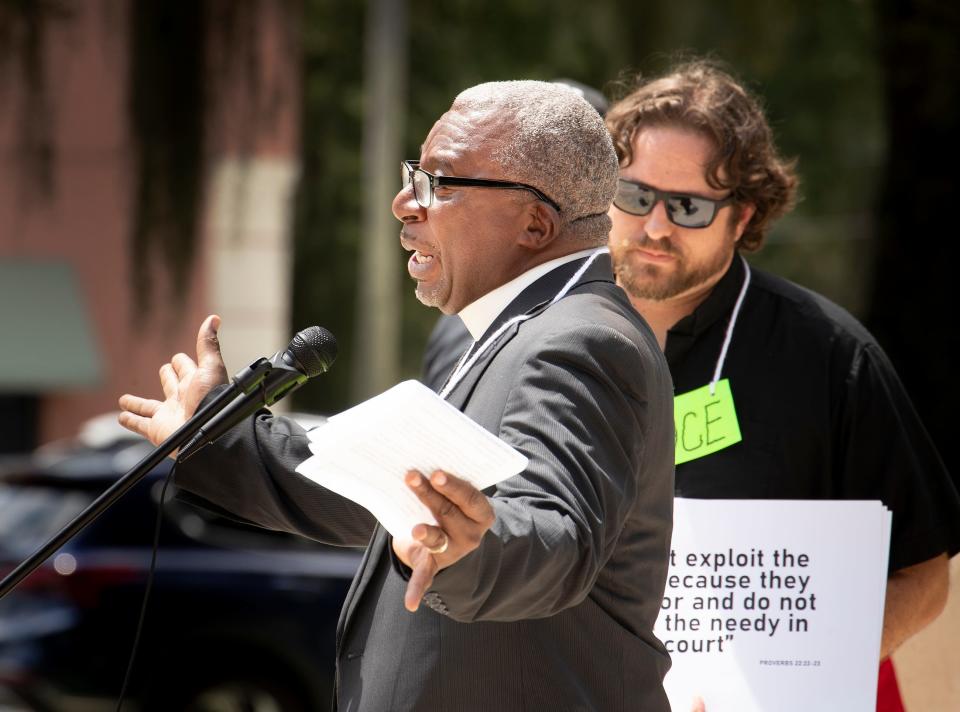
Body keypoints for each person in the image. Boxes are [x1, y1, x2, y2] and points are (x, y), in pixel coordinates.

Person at [118, 81, 676, 712]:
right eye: (415, 173)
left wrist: (469, 552)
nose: (403, 202)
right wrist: (213, 437)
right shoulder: (518, 329)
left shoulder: (578, 340)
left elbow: (553, 534)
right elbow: (385, 493)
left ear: (536, 223)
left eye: (438, 183)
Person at [602, 60, 960, 704]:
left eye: (688, 206)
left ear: (741, 218)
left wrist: (793, 679)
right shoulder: (546, 332)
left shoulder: (829, 357)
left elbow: (924, 577)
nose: (655, 227)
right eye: (635, 195)